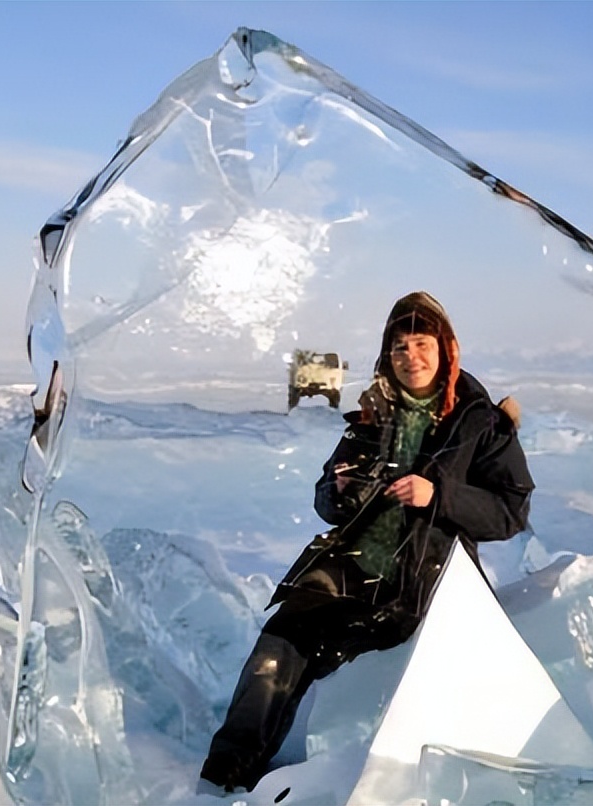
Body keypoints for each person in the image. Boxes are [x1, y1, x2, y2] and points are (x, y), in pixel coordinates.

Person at [199, 291, 534, 792]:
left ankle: (362, 784)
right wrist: (338, 492)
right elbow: (324, 496)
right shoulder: (373, 414)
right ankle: (225, 780)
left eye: (422, 344)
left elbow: (511, 511)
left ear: (446, 349)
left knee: (370, 673)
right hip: (351, 570)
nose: (411, 357)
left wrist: (437, 494)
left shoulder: (480, 423)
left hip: (426, 579)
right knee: (280, 643)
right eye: (400, 347)